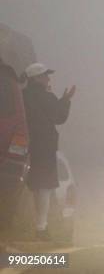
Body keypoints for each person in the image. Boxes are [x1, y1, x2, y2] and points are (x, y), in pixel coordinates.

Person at [21, 63, 76, 241]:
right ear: (36, 78)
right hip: (44, 146)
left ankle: (26, 224)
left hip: (21, 146)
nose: (48, 79)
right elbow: (59, 116)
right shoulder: (45, 96)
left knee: (34, 186)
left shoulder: (22, 96)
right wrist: (65, 100)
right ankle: (41, 228)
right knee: (44, 186)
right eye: (45, 76)